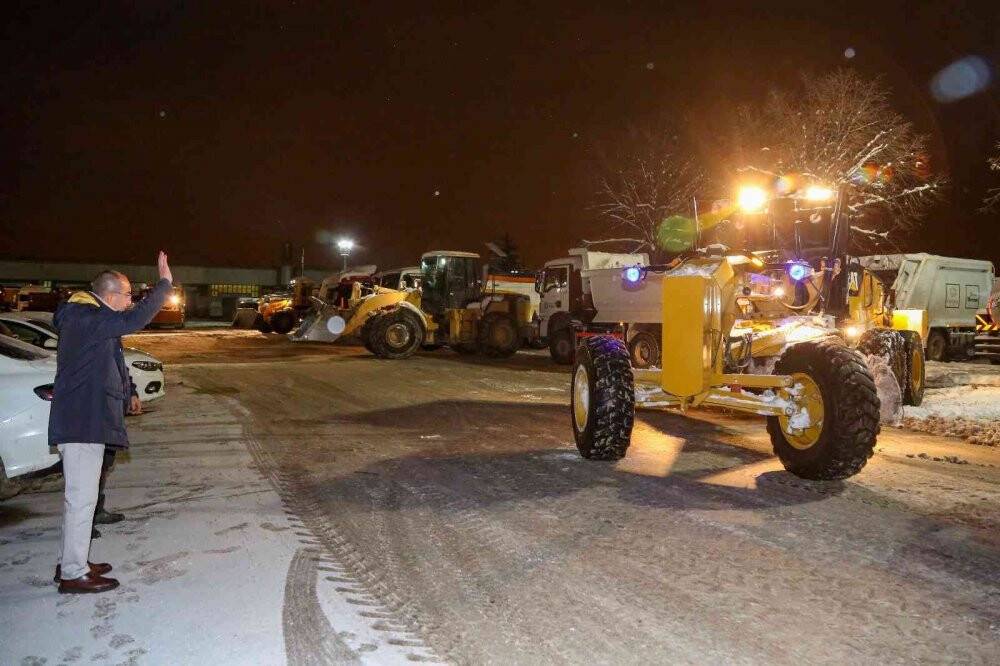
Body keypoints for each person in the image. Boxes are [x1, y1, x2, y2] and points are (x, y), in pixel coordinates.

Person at [48, 252, 173, 594]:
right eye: (128, 295)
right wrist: (164, 285)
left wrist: (129, 390)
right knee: (82, 499)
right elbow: (135, 319)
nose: (131, 301)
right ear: (110, 295)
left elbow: (114, 362)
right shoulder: (84, 317)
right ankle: (74, 573)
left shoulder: (93, 319)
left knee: (80, 497)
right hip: (82, 420)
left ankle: (71, 562)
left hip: (90, 418)